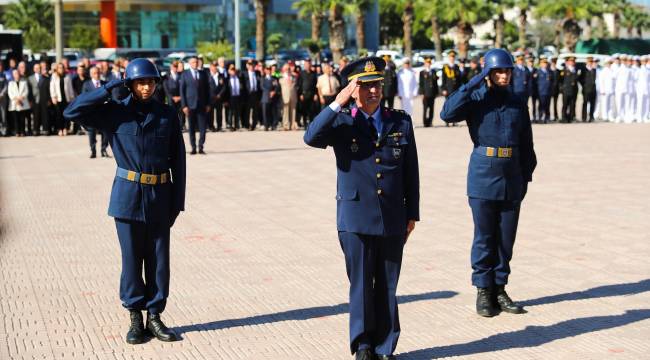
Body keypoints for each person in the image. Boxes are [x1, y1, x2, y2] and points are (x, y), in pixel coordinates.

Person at [304, 57, 420, 360]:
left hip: (393, 214)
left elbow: (411, 171)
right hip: (355, 217)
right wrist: (337, 101)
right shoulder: (342, 121)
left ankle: (385, 346)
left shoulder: (400, 121)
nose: (373, 91)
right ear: (354, 89)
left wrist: (412, 213)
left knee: (387, 283)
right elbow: (310, 136)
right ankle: (363, 345)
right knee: (360, 284)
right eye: (365, 86)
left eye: (377, 85)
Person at [63, 58, 186, 345]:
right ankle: (135, 317)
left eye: (151, 82)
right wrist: (109, 87)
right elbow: (72, 111)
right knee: (131, 260)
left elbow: (178, 161)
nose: (146, 87)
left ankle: (154, 316)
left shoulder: (167, 114)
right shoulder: (114, 113)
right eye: (140, 82)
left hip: (159, 196)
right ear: (130, 84)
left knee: (158, 261)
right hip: (127, 197)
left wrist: (177, 202)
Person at [440, 48, 537, 318]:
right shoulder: (476, 98)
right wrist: (473, 81)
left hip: (512, 175)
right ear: (488, 74)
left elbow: (527, 142)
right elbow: (446, 114)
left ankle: (500, 288)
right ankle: (483, 290)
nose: (504, 75)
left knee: (506, 239)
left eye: (507, 70)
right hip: (483, 174)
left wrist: (526, 175)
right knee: (484, 237)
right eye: (497, 71)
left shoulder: (518, 101)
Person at [180, 56, 211, 154]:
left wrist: (208, 104)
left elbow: (207, 90)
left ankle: (201, 147)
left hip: (202, 105)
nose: (195, 64)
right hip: (190, 106)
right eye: (193, 62)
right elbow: (182, 91)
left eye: (197, 62)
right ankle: (193, 147)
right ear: (189, 63)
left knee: (202, 128)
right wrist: (184, 105)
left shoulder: (203, 74)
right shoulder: (185, 74)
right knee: (192, 128)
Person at [82, 66, 110, 158]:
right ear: (91, 75)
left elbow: (109, 96)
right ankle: (93, 150)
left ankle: (104, 150)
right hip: (92, 113)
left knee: (105, 132)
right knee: (92, 133)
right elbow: (84, 98)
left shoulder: (105, 84)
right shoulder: (87, 84)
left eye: (98, 73)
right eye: (94, 73)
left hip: (104, 112)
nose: (97, 75)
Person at [441, 50, 462, 127]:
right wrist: (443, 89)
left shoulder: (456, 67)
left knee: (455, 105)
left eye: (453, 57)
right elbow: (443, 79)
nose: (452, 58)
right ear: (448, 57)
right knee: (447, 105)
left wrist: (460, 89)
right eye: (451, 57)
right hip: (448, 89)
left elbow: (459, 79)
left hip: (455, 89)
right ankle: (447, 121)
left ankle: (454, 120)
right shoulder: (445, 67)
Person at [8, 69, 30, 136]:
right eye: (15, 74)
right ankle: (17, 132)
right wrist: (16, 99)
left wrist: (21, 98)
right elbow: (10, 93)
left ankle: (23, 132)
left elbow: (26, 91)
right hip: (14, 103)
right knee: (16, 119)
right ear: (13, 75)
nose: (16, 75)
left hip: (22, 102)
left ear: (19, 74)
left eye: (17, 73)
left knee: (22, 118)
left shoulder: (24, 82)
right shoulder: (10, 83)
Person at [297, 59, 318, 128]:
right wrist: (300, 94)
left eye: (309, 64)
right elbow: (299, 84)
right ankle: (305, 124)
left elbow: (316, 85)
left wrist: (315, 94)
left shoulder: (314, 73)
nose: (307, 65)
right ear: (304, 65)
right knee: (304, 110)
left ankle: (311, 124)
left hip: (312, 94)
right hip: (304, 94)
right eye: (306, 64)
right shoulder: (301, 73)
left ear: (310, 65)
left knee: (311, 110)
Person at [49, 63, 69, 136]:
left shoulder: (67, 76)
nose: (61, 69)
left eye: (62, 67)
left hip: (66, 98)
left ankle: (66, 128)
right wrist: (53, 97)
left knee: (66, 114)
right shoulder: (54, 76)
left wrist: (72, 97)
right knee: (59, 115)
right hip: (58, 98)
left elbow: (69, 88)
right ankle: (60, 129)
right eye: (59, 68)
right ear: (57, 69)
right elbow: (52, 87)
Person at [418, 57, 438, 127]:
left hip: (432, 93)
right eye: (427, 63)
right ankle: (425, 122)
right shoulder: (422, 72)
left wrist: (436, 92)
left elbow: (435, 83)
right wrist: (421, 93)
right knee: (425, 109)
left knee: (431, 109)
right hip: (425, 94)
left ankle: (430, 122)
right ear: (424, 64)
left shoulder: (433, 72)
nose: (428, 64)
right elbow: (421, 84)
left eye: (429, 63)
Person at [242, 60, 262, 130]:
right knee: (247, 110)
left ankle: (254, 124)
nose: (251, 66)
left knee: (255, 111)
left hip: (255, 94)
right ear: (247, 66)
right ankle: (247, 124)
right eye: (250, 65)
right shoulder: (244, 74)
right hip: (248, 94)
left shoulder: (257, 73)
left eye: (253, 65)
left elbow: (260, 84)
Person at [163, 61, 183, 128]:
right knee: (171, 112)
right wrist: (172, 97)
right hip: (171, 98)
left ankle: (180, 126)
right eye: (174, 66)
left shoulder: (181, 75)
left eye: (176, 66)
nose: (175, 68)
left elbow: (183, 87)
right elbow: (166, 88)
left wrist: (180, 97)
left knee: (180, 113)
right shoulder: (166, 76)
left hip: (180, 97)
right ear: (171, 67)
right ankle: (172, 126)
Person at [208, 61, 227, 131]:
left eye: (216, 66)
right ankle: (211, 126)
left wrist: (219, 94)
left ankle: (219, 126)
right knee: (211, 113)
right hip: (211, 98)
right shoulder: (208, 75)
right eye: (213, 66)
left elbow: (224, 87)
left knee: (219, 113)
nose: (215, 67)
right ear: (210, 67)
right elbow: (206, 87)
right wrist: (212, 95)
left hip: (219, 97)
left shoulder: (221, 75)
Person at [560, 56, 580, 123]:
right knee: (565, 104)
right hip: (566, 90)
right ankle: (564, 118)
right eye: (571, 61)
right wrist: (562, 88)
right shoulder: (564, 70)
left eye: (573, 61)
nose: (572, 62)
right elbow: (560, 81)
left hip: (574, 90)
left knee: (572, 104)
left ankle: (571, 117)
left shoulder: (576, 69)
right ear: (568, 62)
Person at [279, 63, 298, 131]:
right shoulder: (280, 77)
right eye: (286, 69)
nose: (288, 70)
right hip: (285, 97)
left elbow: (295, 85)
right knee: (285, 111)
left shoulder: (293, 77)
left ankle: (293, 125)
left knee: (293, 111)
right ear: (283, 70)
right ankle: (286, 125)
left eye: (289, 69)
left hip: (293, 96)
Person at [261, 65, 280, 130]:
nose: (268, 71)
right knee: (265, 112)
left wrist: (274, 92)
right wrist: (269, 92)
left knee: (273, 112)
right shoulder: (263, 78)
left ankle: (273, 125)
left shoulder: (274, 78)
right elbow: (262, 87)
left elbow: (277, 86)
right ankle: (266, 125)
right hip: (265, 97)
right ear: (265, 70)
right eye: (267, 69)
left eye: (269, 69)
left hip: (272, 98)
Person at [534, 57, 553, 124]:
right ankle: (540, 117)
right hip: (541, 91)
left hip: (548, 91)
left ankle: (547, 118)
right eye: (543, 63)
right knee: (541, 105)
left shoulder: (549, 71)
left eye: (546, 63)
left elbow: (551, 82)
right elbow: (535, 83)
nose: (545, 64)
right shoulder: (538, 72)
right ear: (540, 64)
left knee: (547, 105)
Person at [579, 56, 598, 122]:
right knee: (585, 103)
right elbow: (580, 79)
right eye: (590, 61)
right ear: (587, 62)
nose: (591, 63)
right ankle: (584, 117)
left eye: (592, 61)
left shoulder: (594, 69)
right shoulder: (583, 69)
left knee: (592, 103)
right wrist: (584, 85)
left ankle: (591, 117)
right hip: (586, 89)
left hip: (593, 89)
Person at [225, 65, 243, 131]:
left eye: (234, 69)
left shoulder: (239, 78)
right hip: (230, 97)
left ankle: (236, 125)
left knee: (237, 111)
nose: (233, 71)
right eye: (231, 70)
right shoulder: (227, 79)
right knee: (230, 112)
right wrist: (225, 100)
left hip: (237, 97)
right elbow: (226, 90)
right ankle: (230, 125)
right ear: (229, 71)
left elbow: (241, 88)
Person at [0, 62, 8, 136]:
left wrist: (1, 94)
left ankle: (4, 131)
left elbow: (6, 86)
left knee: (3, 115)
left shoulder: (4, 75)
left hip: (2, 99)